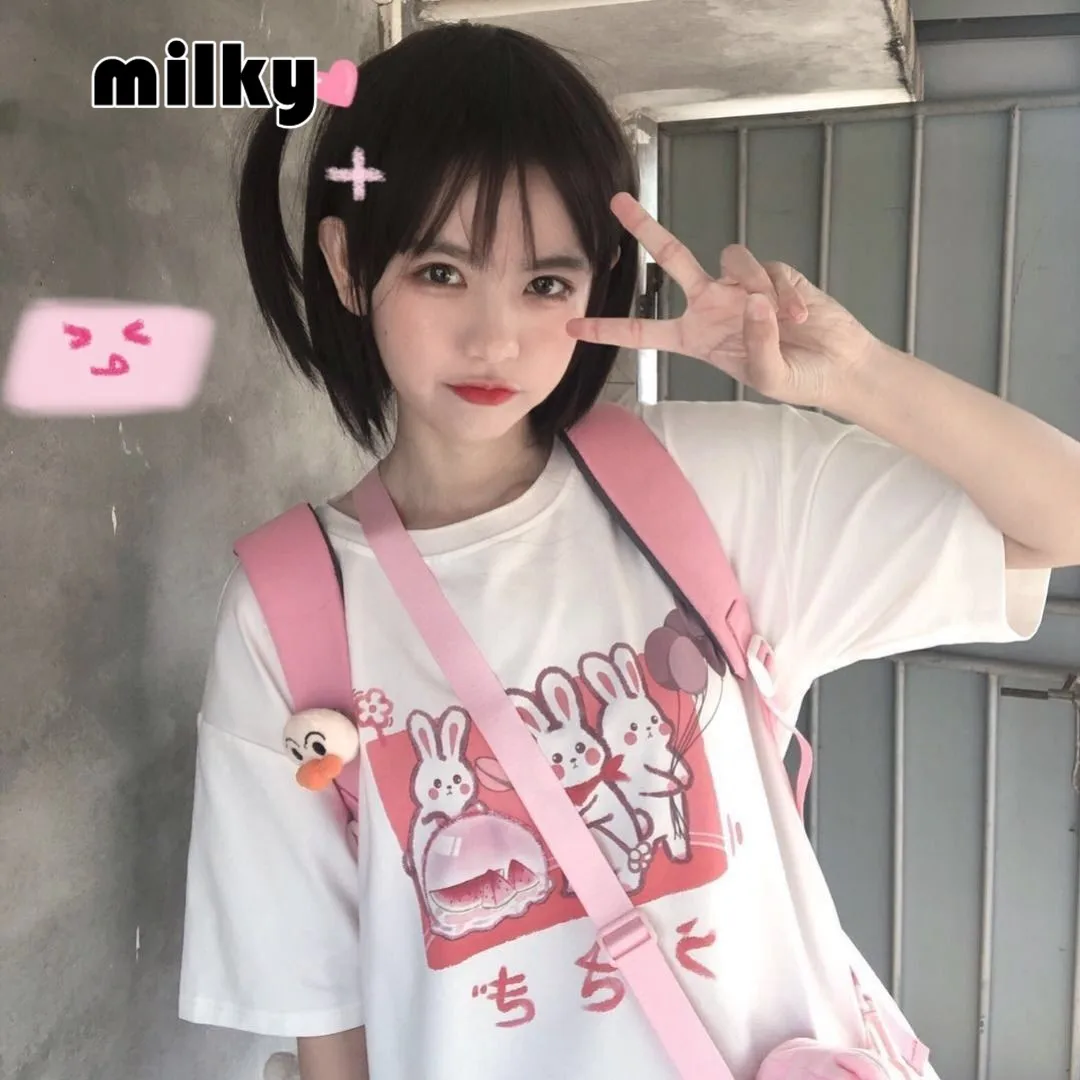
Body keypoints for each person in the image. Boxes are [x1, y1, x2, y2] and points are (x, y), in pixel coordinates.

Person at [178, 20, 1078, 1080]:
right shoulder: (289, 613)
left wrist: (850, 373)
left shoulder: (706, 488)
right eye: (441, 271)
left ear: (596, 283)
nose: (495, 338)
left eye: (545, 285)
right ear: (347, 263)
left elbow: (1057, 519)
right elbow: (324, 1014)